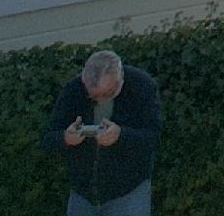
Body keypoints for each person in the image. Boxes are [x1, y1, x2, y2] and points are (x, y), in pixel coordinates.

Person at [42, 47, 159, 215]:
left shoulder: (142, 86)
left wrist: (121, 136)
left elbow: (153, 138)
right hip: (82, 195)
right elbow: (47, 138)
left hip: (128, 194)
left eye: (108, 93)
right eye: (93, 96)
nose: (100, 100)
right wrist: (65, 138)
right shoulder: (73, 90)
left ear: (120, 80)